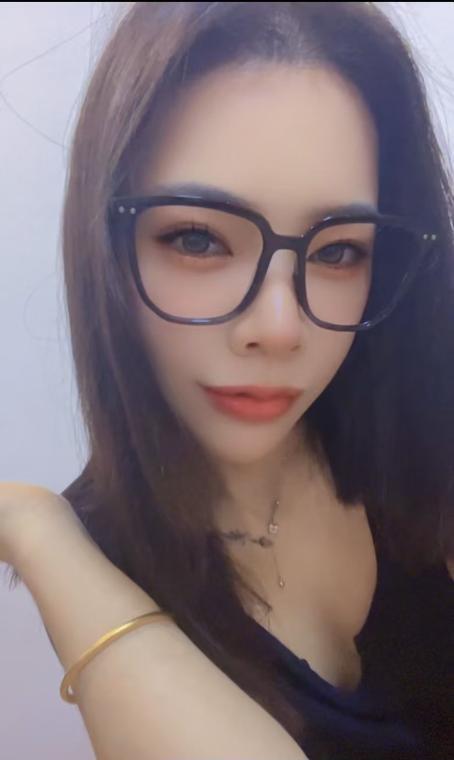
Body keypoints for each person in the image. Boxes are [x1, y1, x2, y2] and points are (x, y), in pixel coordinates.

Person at [5, 2, 454, 758]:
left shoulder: (408, 434)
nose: (279, 328)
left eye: (339, 251)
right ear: (107, 247)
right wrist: (32, 526)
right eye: (198, 239)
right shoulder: (100, 557)